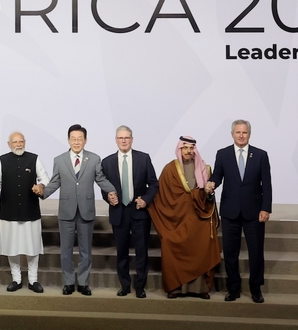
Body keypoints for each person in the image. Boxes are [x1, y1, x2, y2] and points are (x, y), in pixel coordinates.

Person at [41, 124, 115, 296]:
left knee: (85, 250)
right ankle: (68, 283)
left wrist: (112, 190)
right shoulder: (59, 160)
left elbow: (101, 179)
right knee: (65, 250)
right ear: (68, 140)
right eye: (73, 139)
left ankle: (83, 283)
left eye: (79, 139)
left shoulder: (94, 159)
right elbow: (55, 182)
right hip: (66, 211)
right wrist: (42, 192)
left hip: (86, 210)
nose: (76, 142)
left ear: (85, 140)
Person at [207, 119, 273, 303]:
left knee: (256, 252)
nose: (241, 135)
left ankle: (255, 289)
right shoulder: (223, 154)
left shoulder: (260, 155)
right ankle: (233, 289)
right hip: (230, 212)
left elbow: (266, 185)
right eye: (238, 132)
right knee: (230, 253)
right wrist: (211, 184)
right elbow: (217, 176)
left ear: (249, 134)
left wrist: (266, 208)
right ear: (232, 134)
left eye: (244, 133)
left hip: (254, 212)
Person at [150, 136, 220, 299]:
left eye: (191, 148)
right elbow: (162, 195)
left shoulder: (205, 169)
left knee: (200, 250)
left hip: (199, 219)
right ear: (179, 149)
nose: (188, 151)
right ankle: (175, 287)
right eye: (185, 147)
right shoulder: (170, 169)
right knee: (172, 246)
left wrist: (207, 194)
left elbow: (208, 197)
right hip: (177, 220)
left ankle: (200, 288)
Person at [100, 126, 159, 298]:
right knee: (122, 251)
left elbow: (154, 184)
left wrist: (146, 200)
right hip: (119, 212)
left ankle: (140, 286)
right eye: (120, 138)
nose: (124, 140)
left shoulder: (143, 158)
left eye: (127, 137)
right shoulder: (107, 162)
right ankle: (125, 285)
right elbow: (105, 188)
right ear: (116, 140)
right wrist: (108, 197)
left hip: (139, 211)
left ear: (132, 139)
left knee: (142, 251)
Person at [0, 131, 48, 294]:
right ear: (9, 144)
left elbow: (45, 179)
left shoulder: (34, 158)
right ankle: (16, 279)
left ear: (25, 142)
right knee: (11, 246)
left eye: (21, 141)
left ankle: (33, 279)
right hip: (9, 210)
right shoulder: (2, 160)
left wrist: (41, 187)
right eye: (15, 142)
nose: (18, 144)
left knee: (33, 247)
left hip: (30, 210)